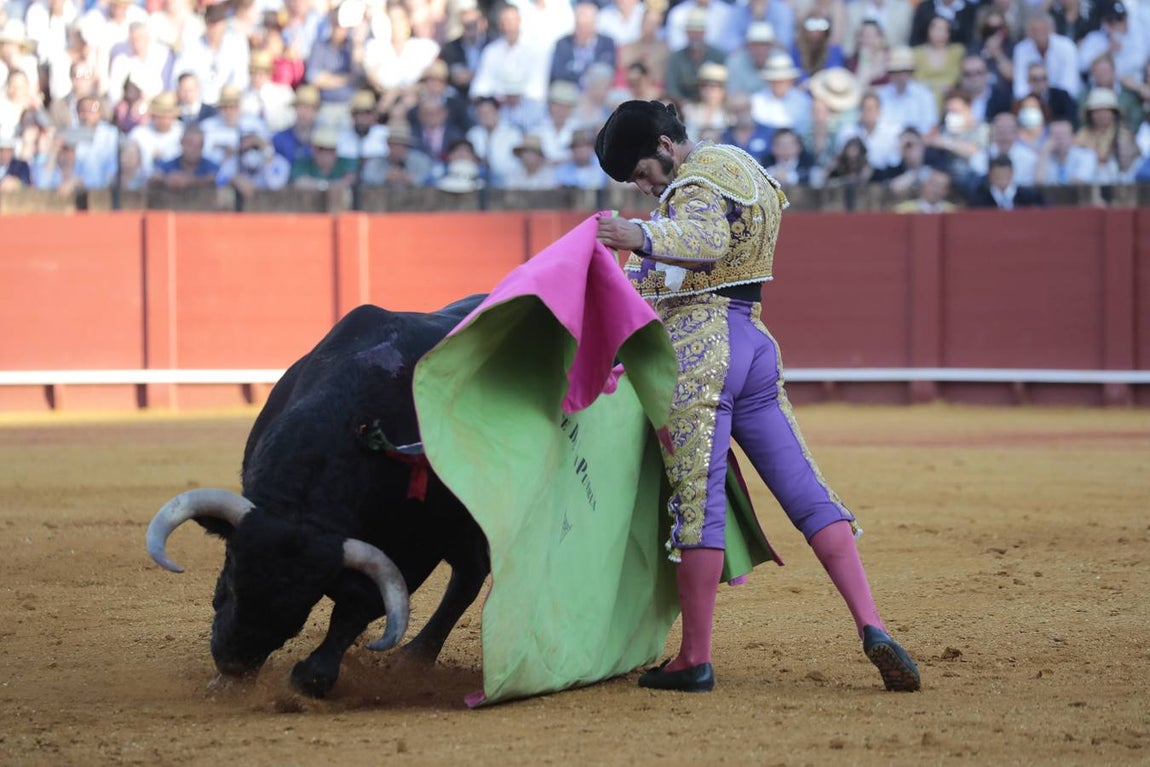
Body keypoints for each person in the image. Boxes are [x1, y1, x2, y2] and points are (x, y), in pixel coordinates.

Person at [593, 99, 921, 694]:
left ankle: (694, 658)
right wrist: (628, 275)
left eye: (642, 172)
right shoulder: (740, 165)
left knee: (698, 502)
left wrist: (637, 235)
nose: (645, 187)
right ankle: (871, 623)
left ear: (665, 145)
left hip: (702, 350)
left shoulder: (695, 180)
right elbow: (684, 273)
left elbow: (705, 241)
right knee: (807, 489)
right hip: (753, 343)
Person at [966, 154, 1046, 208]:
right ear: (990, 175)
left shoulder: (1029, 196)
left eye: (1005, 174)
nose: (1002, 179)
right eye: (998, 175)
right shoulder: (979, 198)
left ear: (1012, 173)